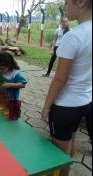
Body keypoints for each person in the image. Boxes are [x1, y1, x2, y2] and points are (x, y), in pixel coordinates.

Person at [41, 0, 92, 175]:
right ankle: (68, 168)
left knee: (58, 156)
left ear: (81, 2)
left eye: (66, 2)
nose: (65, 7)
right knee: (71, 138)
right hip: (86, 101)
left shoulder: (74, 35)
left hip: (65, 105)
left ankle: (64, 171)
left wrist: (47, 106)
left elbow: (60, 78)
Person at [0, 52, 27, 119]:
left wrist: (8, 85)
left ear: (9, 65)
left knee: (12, 117)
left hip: (12, 101)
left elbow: (23, 84)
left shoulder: (15, 73)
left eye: (2, 69)